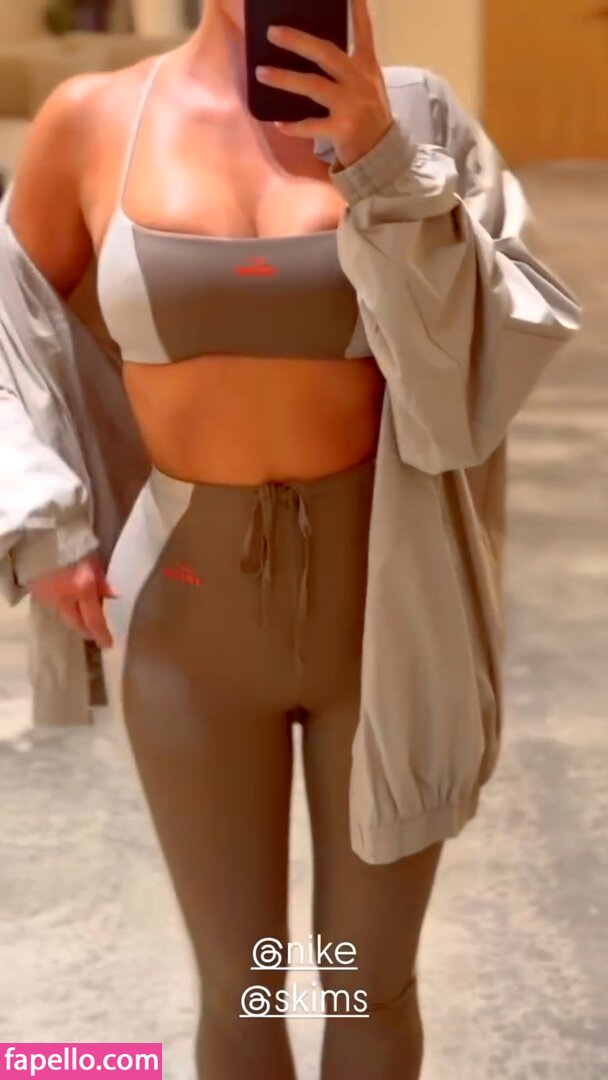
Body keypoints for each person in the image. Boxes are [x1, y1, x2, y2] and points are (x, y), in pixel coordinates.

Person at [4, 0, 579, 1076]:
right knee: (244, 989)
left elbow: (485, 357)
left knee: (369, 986)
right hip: (184, 612)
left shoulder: (418, 119)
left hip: (387, 604)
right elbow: (6, 330)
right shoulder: (92, 120)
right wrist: (40, 514)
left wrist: (382, 162)